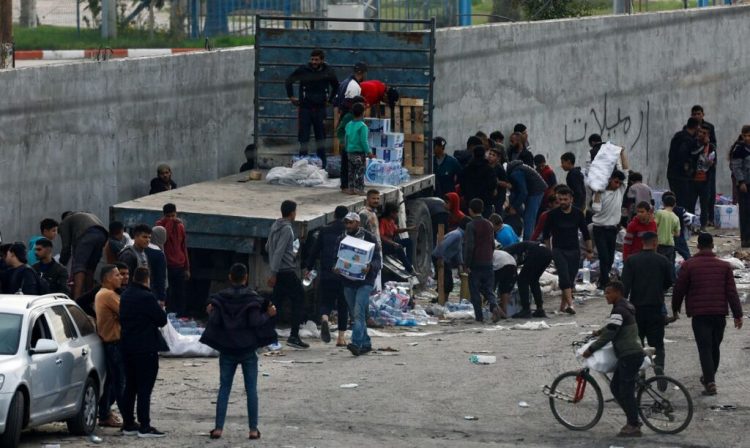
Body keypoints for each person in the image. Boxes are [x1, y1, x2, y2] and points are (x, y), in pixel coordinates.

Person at [201, 263, 276, 441]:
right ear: (246, 278)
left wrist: (210, 312)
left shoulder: (220, 298)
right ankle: (253, 430)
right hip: (248, 349)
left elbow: (216, 320)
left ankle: (218, 428)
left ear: (230, 277)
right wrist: (269, 315)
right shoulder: (253, 298)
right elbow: (256, 322)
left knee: (224, 388)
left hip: (227, 349)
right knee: (251, 390)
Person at [671, 233, 744, 396]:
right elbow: (731, 292)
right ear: (712, 245)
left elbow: (679, 289)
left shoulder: (689, 265)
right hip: (719, 313)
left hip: (699, 314)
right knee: (714, 347)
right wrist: (737, 315)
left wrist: (675, 308)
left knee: (704, 348)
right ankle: (710, 377)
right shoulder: (724, 266)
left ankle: (710, 380)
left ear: (698, 246)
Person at [581, 281, 645, 437]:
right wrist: (598, 332)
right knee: (615, 388)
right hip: (633, 352)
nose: (606, 296)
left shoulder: (619, 310)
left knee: (625, 390)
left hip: (629, 354)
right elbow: (612, 326)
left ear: (618, 293)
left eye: (609, 293)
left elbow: (610, 333)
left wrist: (590, 349)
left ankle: (633, 425)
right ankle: (633, 417)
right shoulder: (625, 306)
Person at [119, 267, 168, 438]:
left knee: (130, 386)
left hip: (127, 347)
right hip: (145, 347)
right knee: (144, 388)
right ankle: (145, 426)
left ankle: (128, 423)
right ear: (147, 279)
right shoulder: (147, 297)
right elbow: (161, 320)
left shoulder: (125, 294)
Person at [621, 232, 672, 379]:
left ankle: (640, 374)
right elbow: (669, 282)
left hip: (636, 309)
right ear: (655, 242)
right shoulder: (663, 261)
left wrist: (621, 308)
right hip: (656, 308)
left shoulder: (631, 260)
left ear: (642, 242)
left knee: (638, 344)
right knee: (657, 343)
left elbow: (625, 286)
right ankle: (659, 368)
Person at [336, 212, 382, 356]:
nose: (348, 226)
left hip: (365, 282)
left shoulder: (369, 238)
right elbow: (335, 257)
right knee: (357, 314)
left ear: (358, 223)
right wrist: (335, 267)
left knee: (357, 312)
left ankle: (356, 343)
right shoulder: (341, 239)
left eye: (351, 223)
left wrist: (370, 267)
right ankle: (366, 343)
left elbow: (377, 260)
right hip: (348, 281)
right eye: (346, 223)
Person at [284, 49, 339, 166]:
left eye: (316, 60)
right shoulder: (303, 70)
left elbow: (336, 86)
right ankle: (301, 165)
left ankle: (322, 166)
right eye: (312, 59)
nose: (314, 62)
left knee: (321, 138)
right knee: (304, 138)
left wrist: (330, 100)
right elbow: (288, 81)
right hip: (305, 109)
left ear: (322, 60)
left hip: (320, 110)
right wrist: (291, 96)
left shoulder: (328, 71)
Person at [305, 206, 350, 346]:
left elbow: (314, 251)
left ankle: (324, 318)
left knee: (326, 301)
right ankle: (341, 338)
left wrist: (309, 267)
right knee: (343, 305)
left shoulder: (324, 230)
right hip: (344, 274)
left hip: (327, 273)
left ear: (334, 216)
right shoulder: (349, 232)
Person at [543, 186, 592, 314]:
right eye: (560, 199)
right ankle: (571, 305)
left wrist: (589, 250)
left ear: (571, 199)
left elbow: (586, 233)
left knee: (570, 279)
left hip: (574, 250)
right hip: (558, 250)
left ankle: (562, 306)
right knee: (564, 277)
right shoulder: (552, 215)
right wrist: (549, 251)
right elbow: (546, 235)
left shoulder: (578, 214)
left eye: (565, 199)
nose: (562, 202)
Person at [266, 200, 308, 349]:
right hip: (285, 271)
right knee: (300, 298)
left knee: (276, 302)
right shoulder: (287, 229)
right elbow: (279, 251)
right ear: (292, 213)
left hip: (280, 271)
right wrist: (273, 273)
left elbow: (268, 247)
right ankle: (294, 336)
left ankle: (267, 334)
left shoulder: (275, 225)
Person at [94, 264, 126, 429]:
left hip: (111, 343)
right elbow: (127, 312)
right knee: (119, 382)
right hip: (114, 343)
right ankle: (113, 415)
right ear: (107, 278)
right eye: (117, 275)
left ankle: (105, 412)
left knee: (112, 381)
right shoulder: (108, 295)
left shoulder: (104, 294)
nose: (121, 277)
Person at [463, 199, 504, 322]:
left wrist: (467, 263)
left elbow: (469, 246)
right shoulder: (489, 224)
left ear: (470, 210)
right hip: (488, 261)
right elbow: (492, 244)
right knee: (489, 288)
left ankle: (479, 317)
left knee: (475, 290)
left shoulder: (470, 225)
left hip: (476, 262)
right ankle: (493, 306)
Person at [591, 169, 628, 290]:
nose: (618, 185)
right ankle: (605, 282)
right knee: (604, 256)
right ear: (610, 180)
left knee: (610, 258)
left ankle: (603, 281)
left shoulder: (620, 191)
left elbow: (626, 171)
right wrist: (597, 192)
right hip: (599, 228)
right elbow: (596, 209)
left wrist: (622, 153)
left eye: (620, 183)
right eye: (616, 182)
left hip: (612, 229)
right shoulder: (600, 194)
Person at [59, 211, 108, 299]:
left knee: (79, 266)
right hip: (103, 235)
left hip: (87, 235)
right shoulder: (86, 215)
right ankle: (89, 297)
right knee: (90, 268)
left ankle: (77, 298)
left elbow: (66, 247)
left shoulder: (65, 222)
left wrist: (61, 264)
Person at [156, 203, 191, 317]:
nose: (171, 218)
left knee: (180, 292)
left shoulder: (180, 226)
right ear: (164, 216)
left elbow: (183, 247)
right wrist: (170, 223)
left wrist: (187, 267)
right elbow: (164, 239)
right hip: (166, 264)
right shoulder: (159, 227)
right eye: (168, 216)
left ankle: (180, 314)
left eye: (173, 216)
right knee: (167, 291)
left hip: (179, 264)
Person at [504, 241, 552, 318]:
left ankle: (526, 310)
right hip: (547, 253)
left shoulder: (506, 253)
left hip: (537, 252)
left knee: (522, 280)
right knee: (533, 280)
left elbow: (512, 269)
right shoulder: (510, 251)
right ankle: (540, 309)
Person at [507, 159, 547, 240]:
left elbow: (523, 192)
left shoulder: (515, 173)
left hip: (536, 191)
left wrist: (514, 207)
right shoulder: (519, 168)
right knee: (527, 216)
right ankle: (530, 238)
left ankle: (527, 242)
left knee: (529, 218)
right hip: (534, 189)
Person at [690, 106, 718, 225]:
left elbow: (714, 146)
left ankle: (708, 220)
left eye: (699, 114)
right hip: (694, 171)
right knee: (692, 198)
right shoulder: (690, 128)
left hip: (707, 171)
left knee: (709, 195)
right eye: (694, 114)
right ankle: (691, 222)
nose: (697, 116)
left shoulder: (709, 128)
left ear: (703, 114)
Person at [432, 217, 470, 299]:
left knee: (448, 283)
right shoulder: (457, 235)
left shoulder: (460, 235)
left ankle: (443, 299)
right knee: (445, 281)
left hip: (445, 259)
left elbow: (458, 251)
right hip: (440, 258)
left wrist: (460, 264)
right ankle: (441, 299)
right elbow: (442, 245)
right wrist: (440, 258)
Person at [667, 117, 700, 208]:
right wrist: (687, 168)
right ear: (696, 127)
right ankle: (681, 221)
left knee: (677, 200)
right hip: (681, 176)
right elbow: (683, 156)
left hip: (672, 173)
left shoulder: (678, 135)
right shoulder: (687, 140)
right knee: (683, 202)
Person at [335, 95, 365, 192]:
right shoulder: (348, 116)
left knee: (355, 168)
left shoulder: (360, 117)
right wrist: (343, 141)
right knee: (346, 166)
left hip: (356, 147)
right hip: (347, 145)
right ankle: (344, 186)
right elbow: (340, 130)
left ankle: (353, 187)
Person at [458, 145, 498, 217]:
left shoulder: (467, 169)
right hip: (485, 203)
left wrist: (466, 195)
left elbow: (461, 183)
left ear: (473, 154)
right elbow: (492, 185)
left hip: (470, 202)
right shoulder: (489, 169)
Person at [345, 102, 373, 195]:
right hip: (359, 153)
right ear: (363, 113)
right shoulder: (362, 126)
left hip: (350, 152)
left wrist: (347, 149)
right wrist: (368, 152)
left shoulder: (349, 124)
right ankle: (360, 189)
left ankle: (351, 189)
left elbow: (346, 138)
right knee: (360, 171)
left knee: (351, 172)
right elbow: (363, 141)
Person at [379, 202, 415, 275]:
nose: (397, 215)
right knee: (399, 247)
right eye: (395, 213)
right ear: (391, 213)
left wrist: (408, 229)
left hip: (392, 243)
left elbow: (395, 231)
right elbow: (381, 236)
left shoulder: (391, 221)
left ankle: (410, 263)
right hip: (385, 246)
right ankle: (410, 270)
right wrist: (393, 243)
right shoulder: (383, 221)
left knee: (409, 241)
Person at [730, 126, 750, 247]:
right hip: (745, 185)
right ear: (742, 136)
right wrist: (741, 182)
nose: (748, 138)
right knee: (746, 212)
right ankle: (746, 238)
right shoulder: (739, 150)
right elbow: (736, 167)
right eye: (746, 135)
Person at [654, 194, 680, 278]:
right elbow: (678, 234)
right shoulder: (676, 217)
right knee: (668, 265)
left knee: (658, 265)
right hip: (670, 244)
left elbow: (654, 225)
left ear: (663, 203)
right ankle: (669, 283)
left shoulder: (659, 213)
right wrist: (670, 231)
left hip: (659, 243)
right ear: (674, 204)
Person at [492, 248, 517, 317]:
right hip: (513, 265)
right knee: (505, 290)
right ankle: (504, 310)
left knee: (491, 289)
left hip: (500, 266)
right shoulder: (499, 252)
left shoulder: (488, 253)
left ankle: (495, 309)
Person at [487, 147, 510, 215]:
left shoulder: (499, 169)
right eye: (490, 154)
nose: (490, 156)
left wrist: (496, 182)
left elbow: (507, 184)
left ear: (498, 158)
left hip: (499, 197)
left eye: (493, 155)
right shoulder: (486, 166)